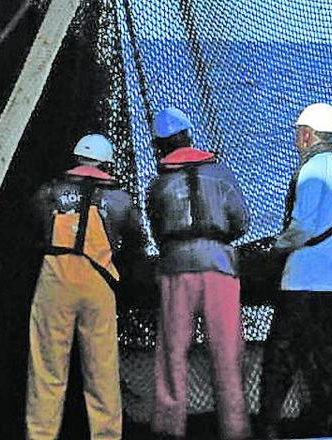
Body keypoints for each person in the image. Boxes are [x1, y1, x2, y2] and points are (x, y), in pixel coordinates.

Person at [26, 133, 143, 440]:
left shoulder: (49, 191)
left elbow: (33, 228)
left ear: (77, 158)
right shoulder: (119, 198)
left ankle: (40, 435)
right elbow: (136, 241)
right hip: (98, 283)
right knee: (101, 368)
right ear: (107, 163)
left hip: (55, 279)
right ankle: (106, 436)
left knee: (46, 367)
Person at [147, 106, 251, 440]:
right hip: (219, 266)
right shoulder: (220, 173)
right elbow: (241, 220)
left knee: (173, 352)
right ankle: (235, 429)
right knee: (227, 351)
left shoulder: (159, 182)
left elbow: (157, 229)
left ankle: (169, 428)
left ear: (161, 144)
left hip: (176, 267)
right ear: (188, 133)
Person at [260, 103, 332, 437]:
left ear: (307, 134)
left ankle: (269, 425)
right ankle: (324, 424)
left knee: (282, 354)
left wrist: (275, 247)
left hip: (307, 277)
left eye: (299, 133)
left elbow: (302, 225)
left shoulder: (314, 169)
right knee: (325, 356)